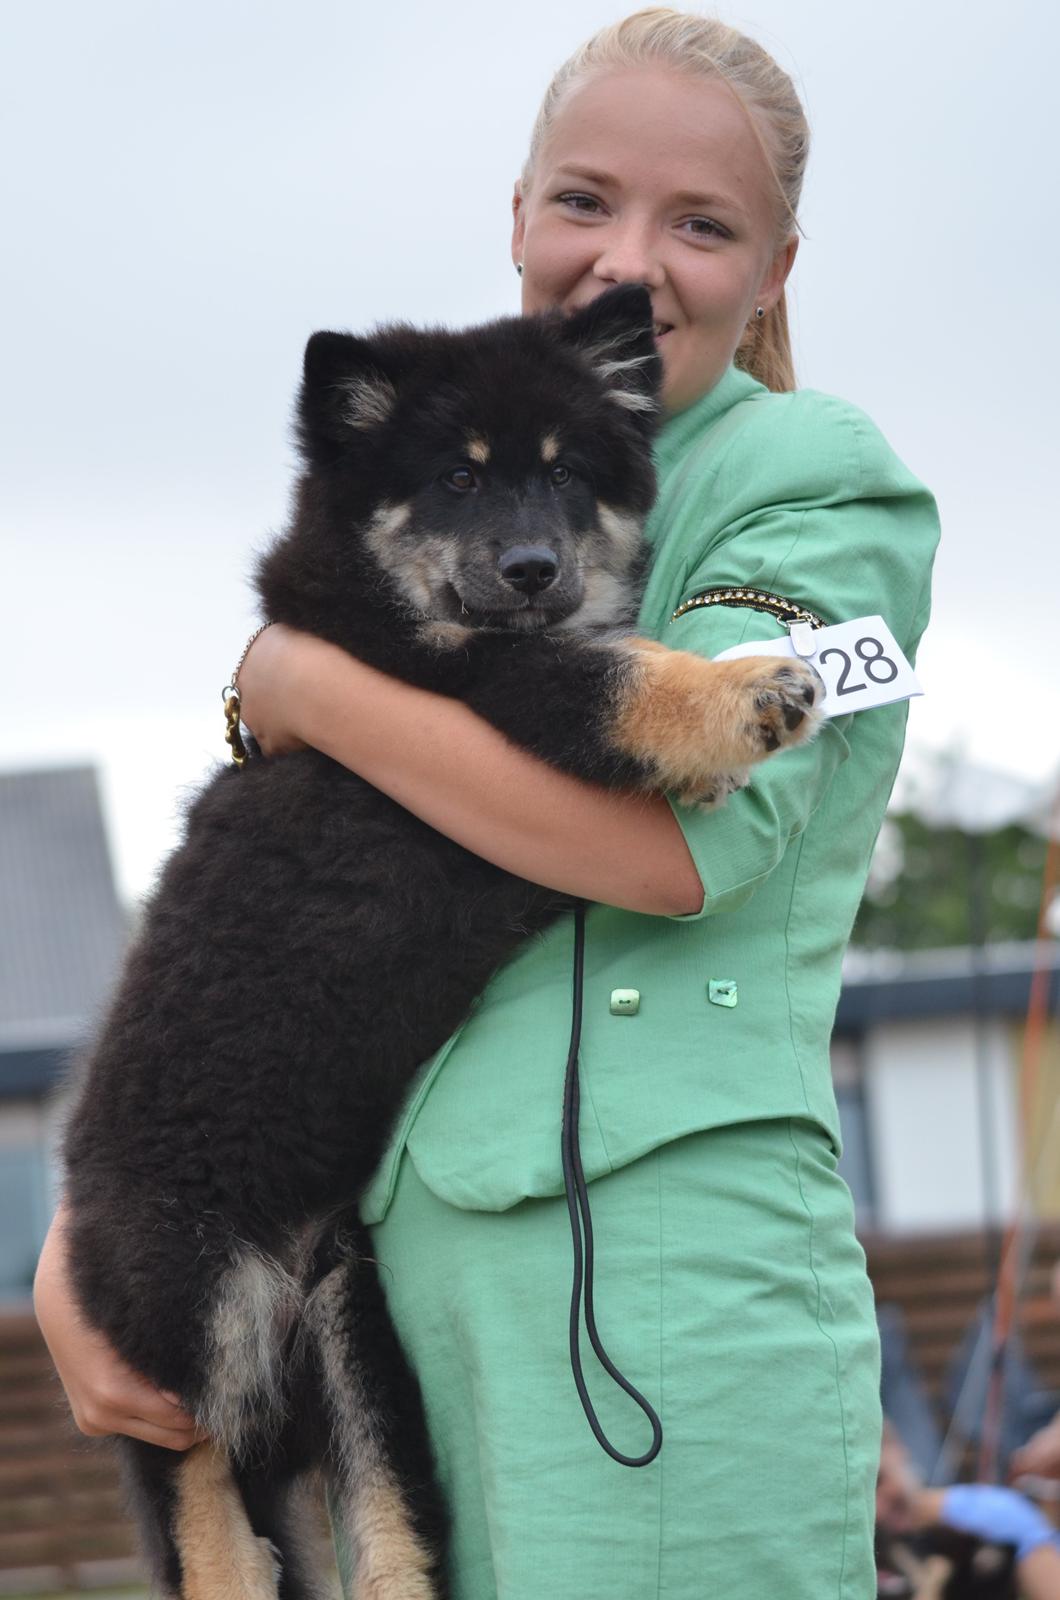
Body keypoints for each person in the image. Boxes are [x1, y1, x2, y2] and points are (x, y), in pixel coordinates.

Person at [34, 10, 940, 1596]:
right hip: (412, 1296)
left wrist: (299, 685)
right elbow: (252, 928)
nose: (629, 263)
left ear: (778, 268)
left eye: (701, 225)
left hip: (664, 1295)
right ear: (516, 216)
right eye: (585, 202)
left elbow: (672, 842)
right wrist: (101, 1245)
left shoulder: (804, 475)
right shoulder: (455, 461)